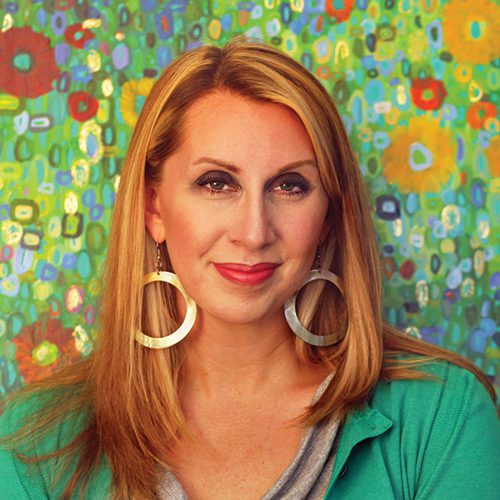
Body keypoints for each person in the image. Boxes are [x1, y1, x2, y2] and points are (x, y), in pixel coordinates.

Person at [1, 38, 499, 500]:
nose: (254, 231)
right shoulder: (35, 439)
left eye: (290, 186)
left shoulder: (441, 415)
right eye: (217, 183)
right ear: (154, 208)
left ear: (328, 217)